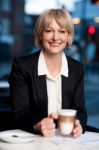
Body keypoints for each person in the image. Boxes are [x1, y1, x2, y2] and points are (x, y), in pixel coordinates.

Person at [9, 9, 87, 138]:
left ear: (68, 37)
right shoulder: (22, 66)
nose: (56, 37)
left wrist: (80, 125)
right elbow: (19, 113)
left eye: (62, 31)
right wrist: (37, 125)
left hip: (66, 137)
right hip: (33, 136)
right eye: (49, 31)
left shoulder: (76, 68)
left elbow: (80, 111)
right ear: (40, 35)